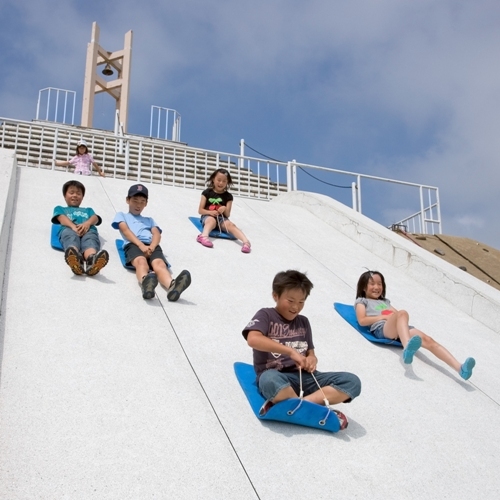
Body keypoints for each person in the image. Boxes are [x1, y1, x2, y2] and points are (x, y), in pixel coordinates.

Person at [242, 270, 361, 430]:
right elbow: (253, 339)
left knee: (352, 382)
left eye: (301, 302)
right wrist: (290, 352)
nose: (295, 307)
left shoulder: (304, 322)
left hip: (305, 378)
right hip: (276, 376)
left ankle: (299, 404)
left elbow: (310, 352)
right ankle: (305, 405)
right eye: (290, 300)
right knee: (270, 381)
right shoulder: (266, 315)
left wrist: (312, 360)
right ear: (276, 296)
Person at [354, 270, 476, 380]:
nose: (377, 287)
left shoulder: (385, 302)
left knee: (428, 340)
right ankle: (407, 347)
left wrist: (394, 317)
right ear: (364, 287)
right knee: (403, 312)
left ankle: (460, 368)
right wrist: (384, 316)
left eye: (379, 284)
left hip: (398, 328)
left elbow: (397, 315)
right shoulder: (362, 301)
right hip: (382, 329)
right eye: (372, 284)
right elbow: (362, 320)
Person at [112, 183, 191, 301]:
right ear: (128, 200)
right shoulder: (121, 215)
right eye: (135, 200)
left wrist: (152, 246)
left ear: (146, 203)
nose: (138, 204)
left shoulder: (149, 220)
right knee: (141, 262)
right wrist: (141, 245)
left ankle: (172, 286)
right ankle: (146, 282)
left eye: (142, 201)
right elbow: (125, 230)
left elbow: (157, 234)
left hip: (152, 246)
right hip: (133, 244)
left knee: (159, 264)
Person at [51, 180, 109, 276]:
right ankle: (75, 257)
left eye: (78, 193)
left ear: (82, 197)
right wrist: (73, 226)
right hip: (69, 229)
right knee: (70, 237)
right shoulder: (60, 208)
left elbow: (95, 218)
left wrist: (87, 223)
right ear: (65, 196)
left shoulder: (88, 210)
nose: (75, 195)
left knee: (90, 240)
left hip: (88, 230)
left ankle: (92, 260)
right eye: (71, 192)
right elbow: (61, 218)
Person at [196, 168, 251, 253]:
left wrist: (224, 208)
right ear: (213, 179)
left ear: (227, 183)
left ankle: (246, 242)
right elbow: (200, 210)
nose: (221, 183)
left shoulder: (228, 196)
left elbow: (227, 214)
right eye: (218, 180)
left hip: (222, 218)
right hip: (208, 216)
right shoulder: (206, 192)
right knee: (211, 221)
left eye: (224, 181)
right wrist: (210, 212)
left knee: (230, 225)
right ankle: (203, 236)